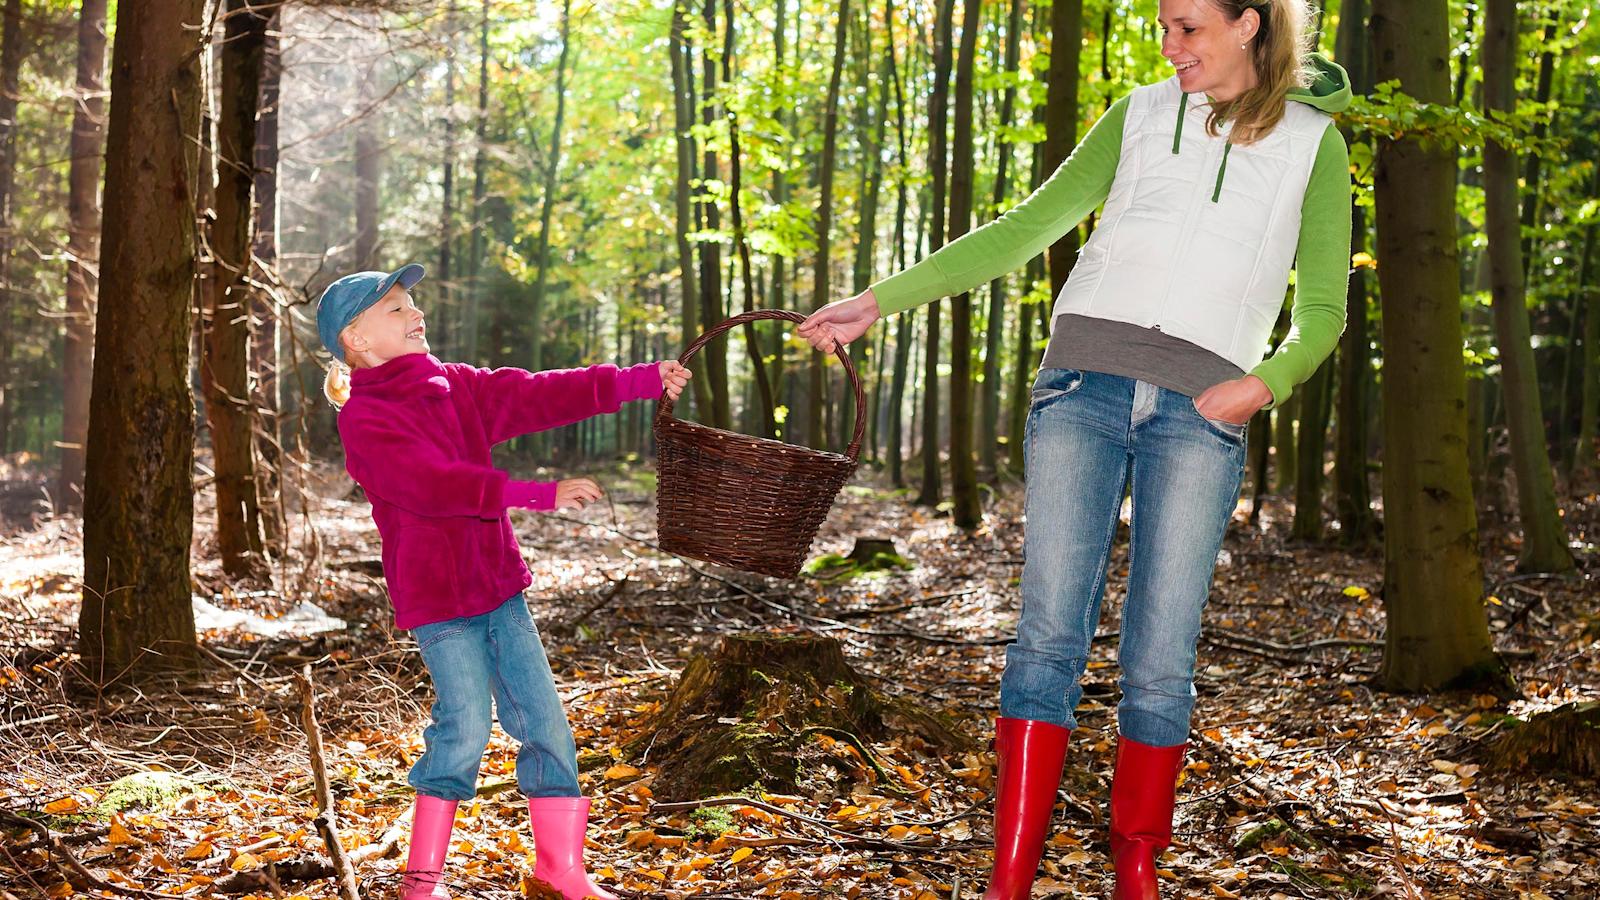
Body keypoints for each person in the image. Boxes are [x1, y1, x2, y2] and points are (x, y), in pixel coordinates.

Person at [798, 1, 1350, 896]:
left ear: (1249, 24)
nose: (1168, 46)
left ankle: (1137, 867)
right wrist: (876, 301)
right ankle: (1009, 875)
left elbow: (1323, 309)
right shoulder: (1140, 114)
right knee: (1048, 636)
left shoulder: (1313, 143)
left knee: (1161, 655)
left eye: (1187, 27)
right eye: (1163, 26)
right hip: (1080, 390)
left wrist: (1264, 384)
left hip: (1202, 414)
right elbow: (1024, 228)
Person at [317, 264, 691, 900]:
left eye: (412, 302)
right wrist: (536, 493)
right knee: (464, 726)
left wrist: (639, 380)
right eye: (396, 309)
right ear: (357, 339)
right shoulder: (365, 420)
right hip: (439, 601)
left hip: (498, 586)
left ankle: (560, 871)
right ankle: (422, 882)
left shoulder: (455, 383)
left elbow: (537, 394)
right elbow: (433, 485)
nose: (415, 313)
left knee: (547, 726)